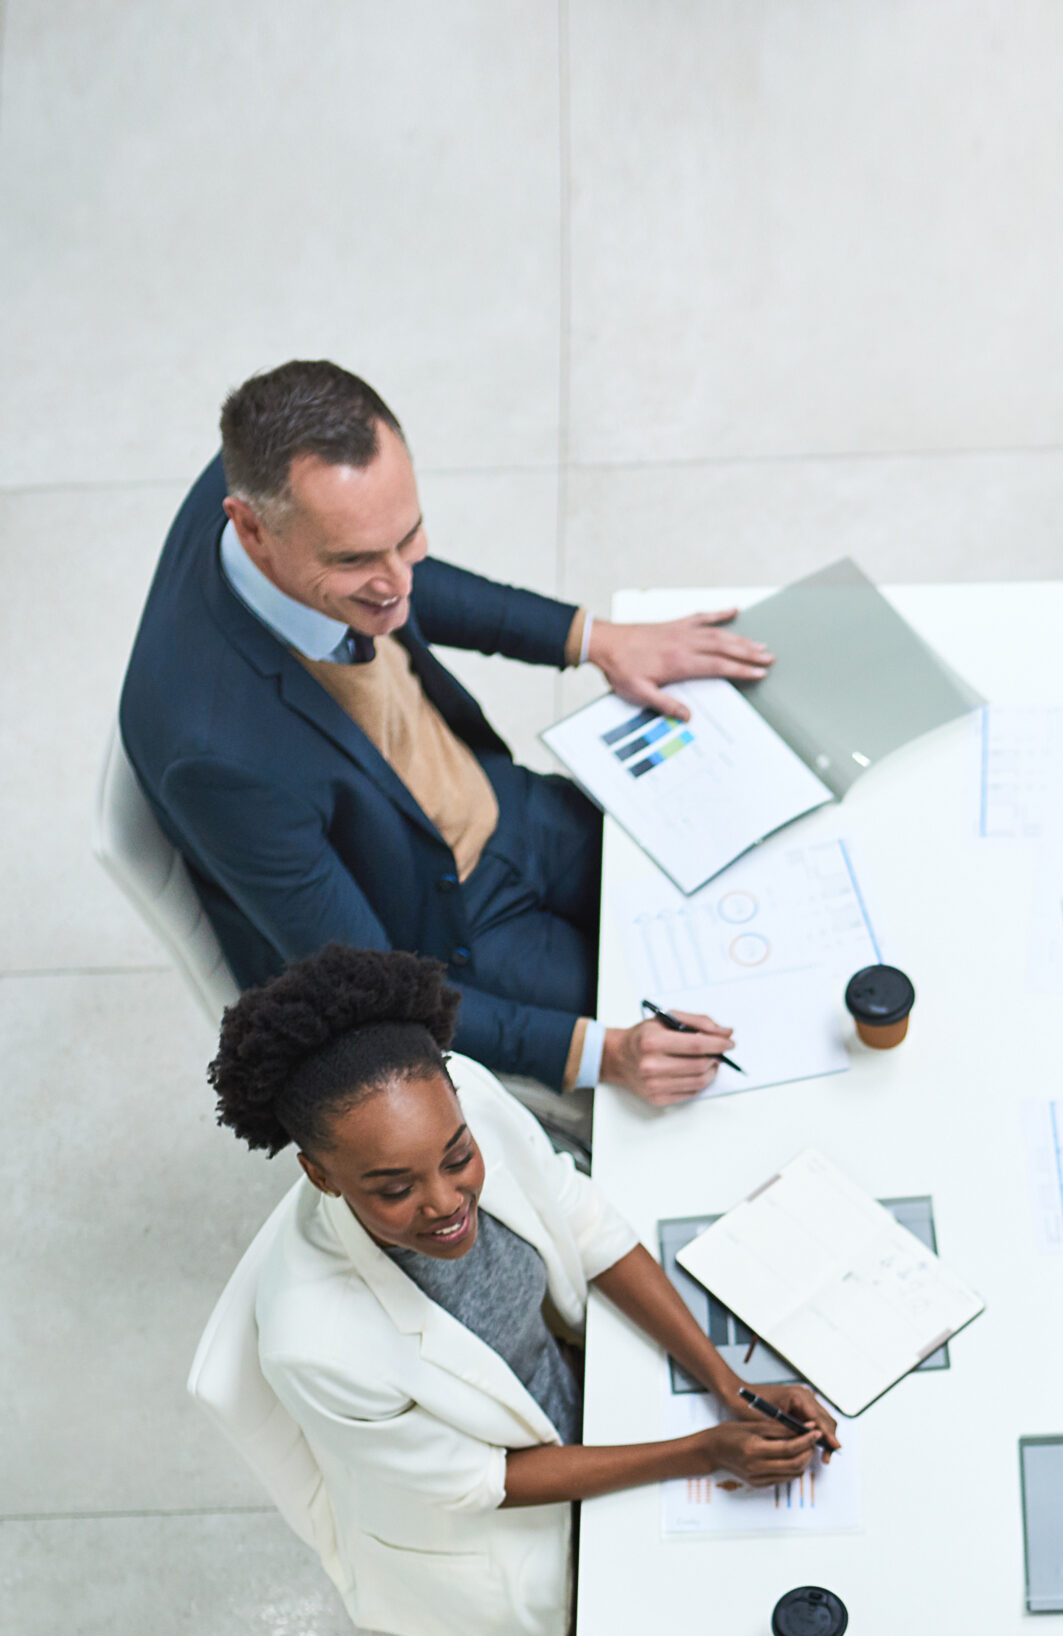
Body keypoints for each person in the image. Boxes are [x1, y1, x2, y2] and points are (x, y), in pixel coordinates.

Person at [122, 358, 767, 1107]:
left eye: (410, 536)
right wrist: (605, 1052)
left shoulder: (280, 479)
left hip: (498, 799)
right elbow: (371, 984)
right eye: (357, 559)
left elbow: (406, 586)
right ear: (250, 527)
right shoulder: (214, 755)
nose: (399, 581)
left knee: (733, 888)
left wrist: (594, 638)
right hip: (444, 932)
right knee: (704, 1026)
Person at [191, 945, 837, 1636]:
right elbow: (477, 1481)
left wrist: (729, 1384)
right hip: (503, 1522)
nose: (444, 1203)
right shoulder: (315, 1343)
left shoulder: (465, 1090)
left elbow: (582, 1220)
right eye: (394, 1189)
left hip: (568, 1386)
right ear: (319, 1174)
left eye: (456, 1156)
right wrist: (701, 1452)